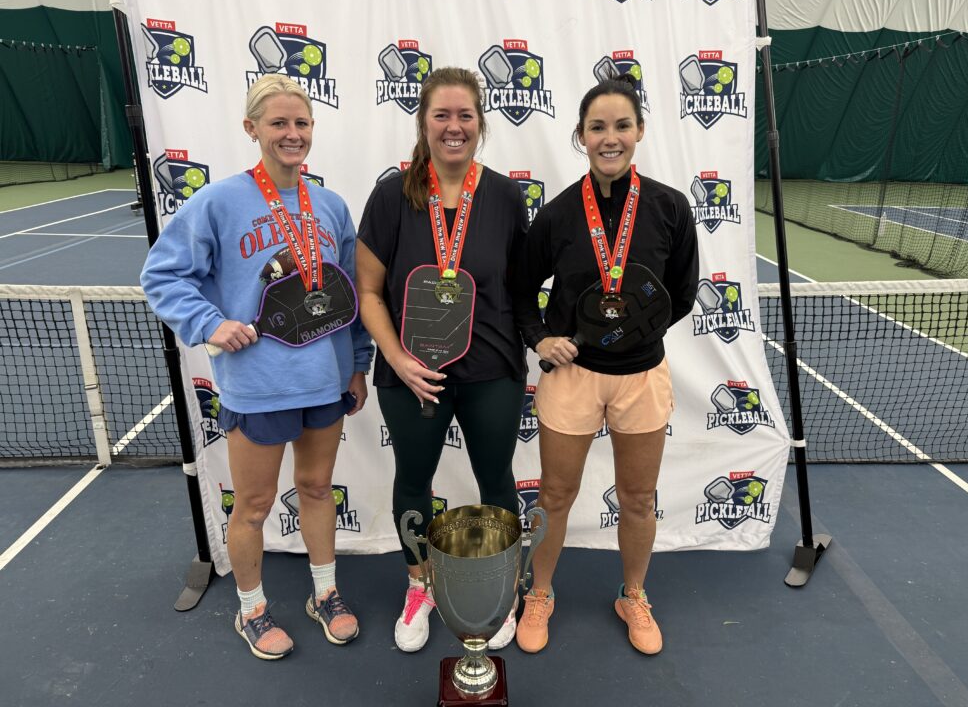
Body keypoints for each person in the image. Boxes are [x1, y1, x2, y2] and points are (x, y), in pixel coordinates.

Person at [141, 74, 374, 660]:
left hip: (325, 378)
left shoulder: (331, 206)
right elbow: (162, 275)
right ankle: (252, 609)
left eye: (301, 123)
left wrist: (358, 363)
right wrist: (209, 324)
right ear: (252, 129)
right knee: (252, 505)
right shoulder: (219, 201)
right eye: (278, 123)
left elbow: (349, 295)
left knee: (318, 488)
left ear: (313, 130)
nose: (291, 134)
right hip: (259, 383)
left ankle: (325, 595)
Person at [510, 75, 699, 656]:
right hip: (572, 378)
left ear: (639, 131)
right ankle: (540, 592)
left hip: (642, 376)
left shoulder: (669, 207)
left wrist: (628, 335)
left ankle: (633, 594)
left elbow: (682, 294)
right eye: (597, 128)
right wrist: (542, 338)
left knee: (639, 498)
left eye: (621, 125)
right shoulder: (561, 214)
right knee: (554, 498)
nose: (609, 138)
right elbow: (520, 289)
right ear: (581, 136)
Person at [356, 67, 528, 653]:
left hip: (492, 372)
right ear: (423, 123)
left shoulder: (506, 197)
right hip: (414, 375)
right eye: (442, 116)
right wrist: (398, 359)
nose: (454, 127)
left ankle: (500, 591)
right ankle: (418, 587)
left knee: (496, 480)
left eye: (465, 116)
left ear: (480, 123)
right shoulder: (392, 195)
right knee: (413, 479)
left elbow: (520, 288)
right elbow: (369, 291)